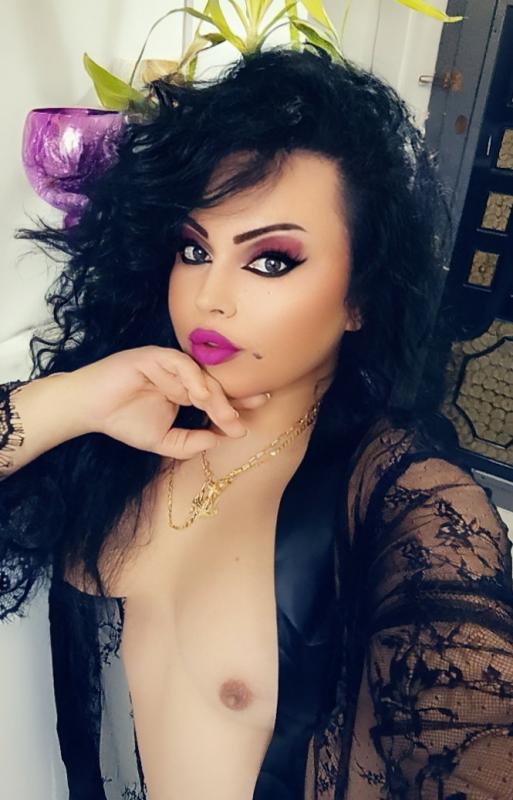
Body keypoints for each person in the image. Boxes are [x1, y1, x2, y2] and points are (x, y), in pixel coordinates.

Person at [1, 43, 513, 800]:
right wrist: (70, 402)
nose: (209, 297)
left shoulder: (409, 507)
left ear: (359, 297)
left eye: (270, 260)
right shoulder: (118, 430)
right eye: (193, 248)